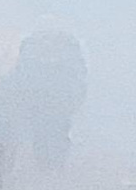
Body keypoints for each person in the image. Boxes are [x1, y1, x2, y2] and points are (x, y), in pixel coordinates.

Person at [10, 27, 89, 170]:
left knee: (54, 131)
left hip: (56, 100)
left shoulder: (66, 46)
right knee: (44, 132)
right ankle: (48, 164)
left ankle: (52, 163)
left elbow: (78, 74)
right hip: (44, 100)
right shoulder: (33, 46)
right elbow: (21, 73)